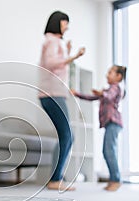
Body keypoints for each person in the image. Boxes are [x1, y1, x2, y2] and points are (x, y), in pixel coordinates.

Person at [39, 11, 85, 191]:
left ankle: (56, 177)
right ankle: (55, 179)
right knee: (67, 135)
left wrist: (67, 51)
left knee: (64, 135)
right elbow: (51, 63)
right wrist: (73, 56)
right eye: (65, 23)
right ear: (58, 22)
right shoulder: (53, 41)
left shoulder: (54, 41)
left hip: (54, 93)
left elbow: (55, 66)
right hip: (52, 94)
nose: (67, 26)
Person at [73, 65, 127, 191]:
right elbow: (92, 97)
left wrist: (102, 93)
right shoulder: (108, 90)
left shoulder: (115, 88)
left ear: (119, 76)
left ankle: (116, 179)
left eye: (110, 72)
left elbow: (108, 96)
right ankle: (113, 179)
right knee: (106, 151)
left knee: (109, 151)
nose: (107, 75)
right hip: (110, 124)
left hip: (114, 122)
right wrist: (78, 94)